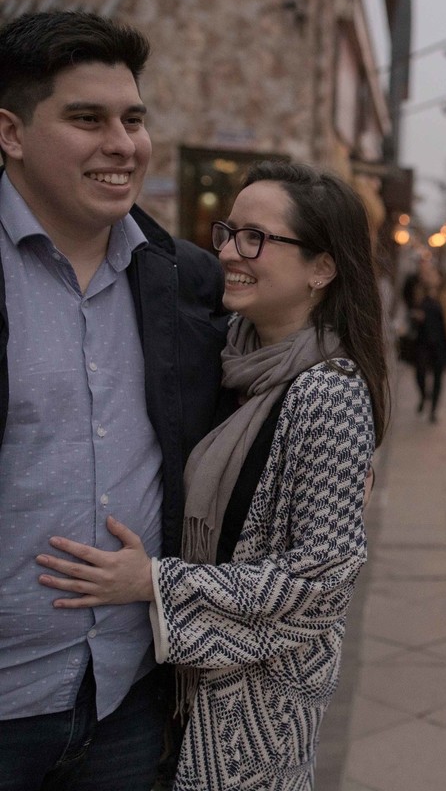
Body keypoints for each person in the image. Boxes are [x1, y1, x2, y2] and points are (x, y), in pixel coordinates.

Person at [35, 161, 388, 790]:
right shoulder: (232, 355)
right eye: (228, 232)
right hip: (178, 693)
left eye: (257, 238)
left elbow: (323, 583)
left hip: (253, 715)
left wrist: (152, 582)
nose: (228, 252)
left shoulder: (329, 393)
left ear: (322, 268)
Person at [0, 10, 227, 789]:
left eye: (132, 119)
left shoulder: (181, 278)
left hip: (126, 697)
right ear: (11, 133)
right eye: (87, 119)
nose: (123, 144)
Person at [411, 259, 446, 423]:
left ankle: (433, 410)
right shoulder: (420, 293)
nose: (431, 278)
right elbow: (412, 310)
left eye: (434, 275)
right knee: (420, 372)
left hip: (440, 342)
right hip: (422, 340)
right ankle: (424, 396)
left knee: (438, 376)